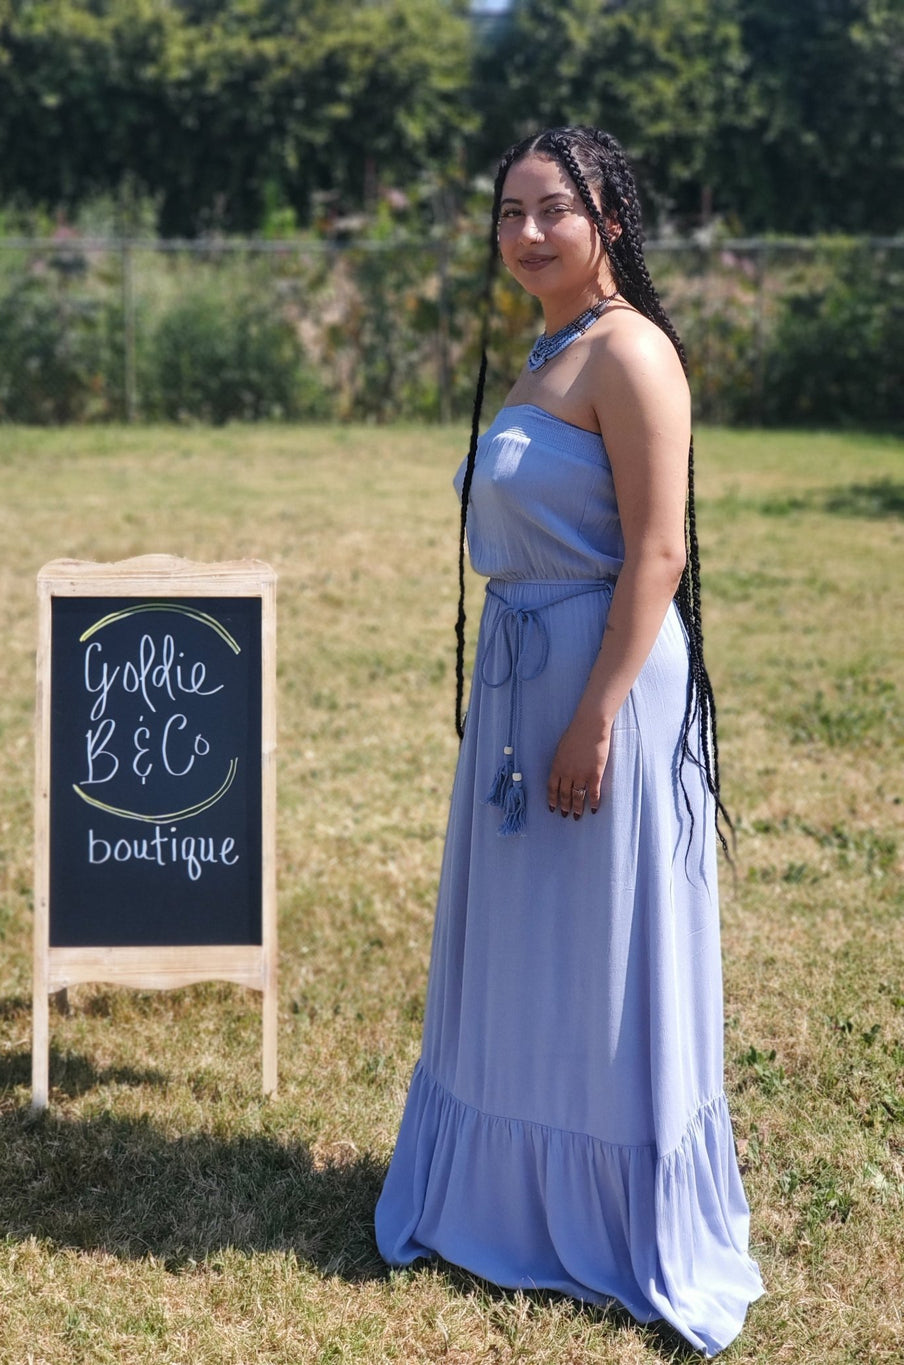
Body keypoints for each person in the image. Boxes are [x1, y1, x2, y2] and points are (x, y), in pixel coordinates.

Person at [374, 127, 764, 1356]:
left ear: (608, 219)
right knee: (531, 950)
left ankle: (607, 1217)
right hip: (521, 687)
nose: (526, 231)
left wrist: (595, 710)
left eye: (552, 208)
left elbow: (658, 551)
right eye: (507, 211)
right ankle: (497, 1196)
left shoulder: (632, 354)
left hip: (602, 687)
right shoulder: (550, 349)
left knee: (601, 954)